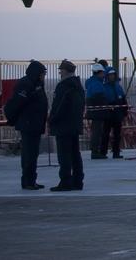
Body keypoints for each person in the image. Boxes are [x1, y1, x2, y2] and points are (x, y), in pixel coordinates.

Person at [5, 60, 48, 190]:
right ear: (37, 73)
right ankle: (28, 181)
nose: (44, 76)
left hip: (35, 124)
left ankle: (31, 180)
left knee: (33, 154)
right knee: (29, 154)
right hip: (28, 124)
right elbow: (17, 103)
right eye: (42, 73)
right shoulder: (25, 84)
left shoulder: (37, 83)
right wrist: (13, 118)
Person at [48, 60, 86, 191]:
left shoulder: (63, 86)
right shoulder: (78, 86)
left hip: (63, 125)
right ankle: (78, 181)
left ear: (65, 71)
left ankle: (65, 182)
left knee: (64, 155)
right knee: (75, 154)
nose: (60, 73)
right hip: (75, 124)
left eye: (61, 70)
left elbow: (58, 106)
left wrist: (52, 119)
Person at [85, 62, 110, 159]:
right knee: (97, 131)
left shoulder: (92, 82)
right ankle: (95, 152)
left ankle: (95, 150)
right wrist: (106, 106)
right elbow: (100, 98)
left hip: (95, 111)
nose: (104, 75)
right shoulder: (97, 84)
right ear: (99, 73)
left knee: (96, 130)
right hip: (98, 112)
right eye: (103, 73)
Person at [103, 67, 129, 158]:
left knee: (117, 134)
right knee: (105, 133)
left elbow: (123, 98)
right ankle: (103, 152)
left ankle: (116, 152)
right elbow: (103, 100)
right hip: (108, 113)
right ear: (107, 76)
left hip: (118, 113)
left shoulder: (118, 86)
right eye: (110, 75)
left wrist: (125, 110)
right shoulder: (104, 87)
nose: (112, 76)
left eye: (113, 75)